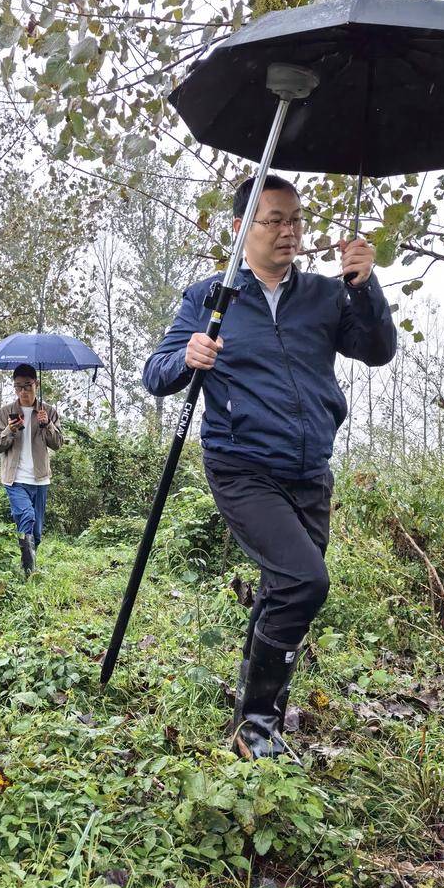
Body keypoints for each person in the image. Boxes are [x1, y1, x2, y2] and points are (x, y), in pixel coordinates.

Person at [143, 175, 397, 760]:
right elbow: (156, 374)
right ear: (241, 229)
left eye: (296, 219)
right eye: (275, 220)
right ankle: (257, 727)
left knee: (281, 588)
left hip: (310, 470)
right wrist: (187, 356)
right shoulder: (211, 297)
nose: (289, 231)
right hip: (242, 465)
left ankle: (252, 719)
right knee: (306, 581)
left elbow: (378, 350)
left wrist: (365, 287)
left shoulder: (326, 295)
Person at [0, 364, 63, 575]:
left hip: (40, 479)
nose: (23, 391)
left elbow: (58, 444)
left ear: (36, 384)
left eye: (27, 386)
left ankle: (27, 566)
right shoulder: (5, 413)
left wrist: (47, 424)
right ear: (14, 387)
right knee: (27, 517)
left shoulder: (48, 411)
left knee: (36, 533)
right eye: (18, 386)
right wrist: (9, 430)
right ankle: (29, 573)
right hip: (15, 479)